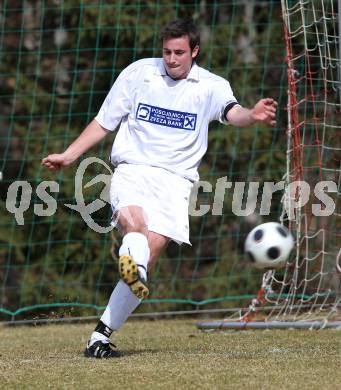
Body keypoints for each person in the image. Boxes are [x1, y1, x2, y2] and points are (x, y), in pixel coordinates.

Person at [42, 19, 277, 358]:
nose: (171, 59)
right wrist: (69, 154)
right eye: (166, 52)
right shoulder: (139, 73)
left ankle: (100, 336)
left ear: (194, 51)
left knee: (145, 260)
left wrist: (252, 115)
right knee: (133, 224)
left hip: (175, 182)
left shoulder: (211, 85)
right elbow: (104, 120)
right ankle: (130, 264)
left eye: (179, 52)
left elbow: (233, 112)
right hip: (133, 169)